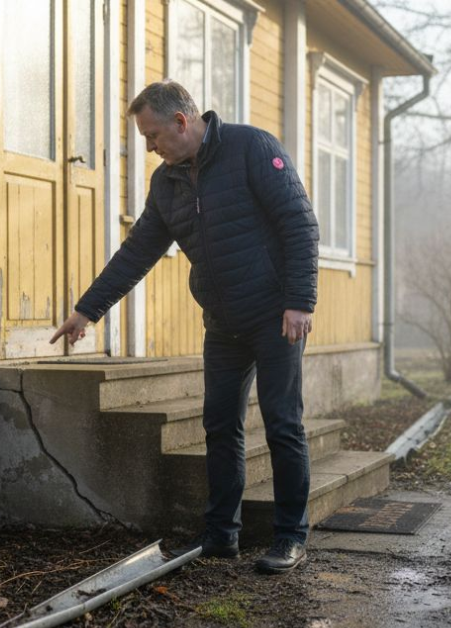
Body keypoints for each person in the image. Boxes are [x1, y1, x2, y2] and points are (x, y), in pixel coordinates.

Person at [50, 80, 318, 574]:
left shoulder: (251, 148)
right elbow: (138, 252)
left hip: (276, 315)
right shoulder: (166, 182)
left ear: (181, 121)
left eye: (153, 136)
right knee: (220, 425)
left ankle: (290, 537)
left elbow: (299, 223)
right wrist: (88, 309)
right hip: (223, 321)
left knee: (282, 424)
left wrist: (300, 301)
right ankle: (222, 535)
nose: (150, 147)